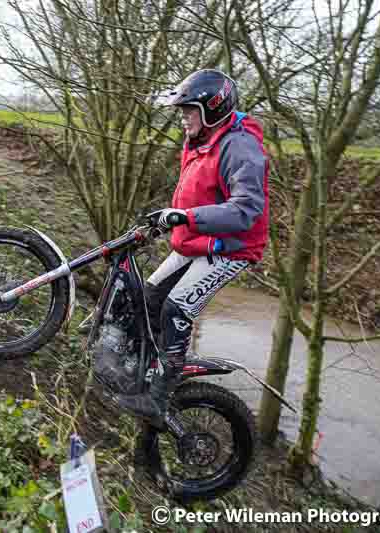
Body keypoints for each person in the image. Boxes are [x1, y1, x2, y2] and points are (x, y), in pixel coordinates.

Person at [99, 69, 270, 425]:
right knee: (149, 298)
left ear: (212, 108)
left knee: (176, 310)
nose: (183, 118)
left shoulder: (239, 146)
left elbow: (246, 210)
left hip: (232, 247)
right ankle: (142, 369)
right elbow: (194, 196)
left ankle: (159, 399)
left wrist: (185, 218)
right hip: (199, 240)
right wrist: (165, 221)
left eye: (189, 110)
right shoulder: (201, 140)